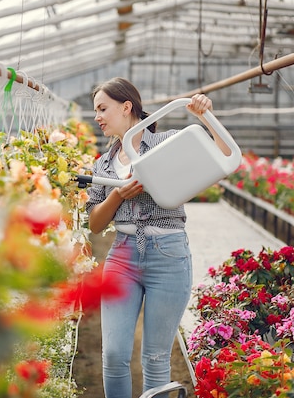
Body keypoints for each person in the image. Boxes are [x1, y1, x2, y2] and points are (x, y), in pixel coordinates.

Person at [84, 77, 230, 398]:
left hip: (168, 254)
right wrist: (117, 196)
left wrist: (205, 115)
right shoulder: (103, 163)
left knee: (155, 357)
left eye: (102, 108)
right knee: (113, 355)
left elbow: (223, 155)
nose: (97, 117)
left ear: (126, 107)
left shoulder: (168, 142)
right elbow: (95, 224)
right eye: (96, 110)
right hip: (122, 256)